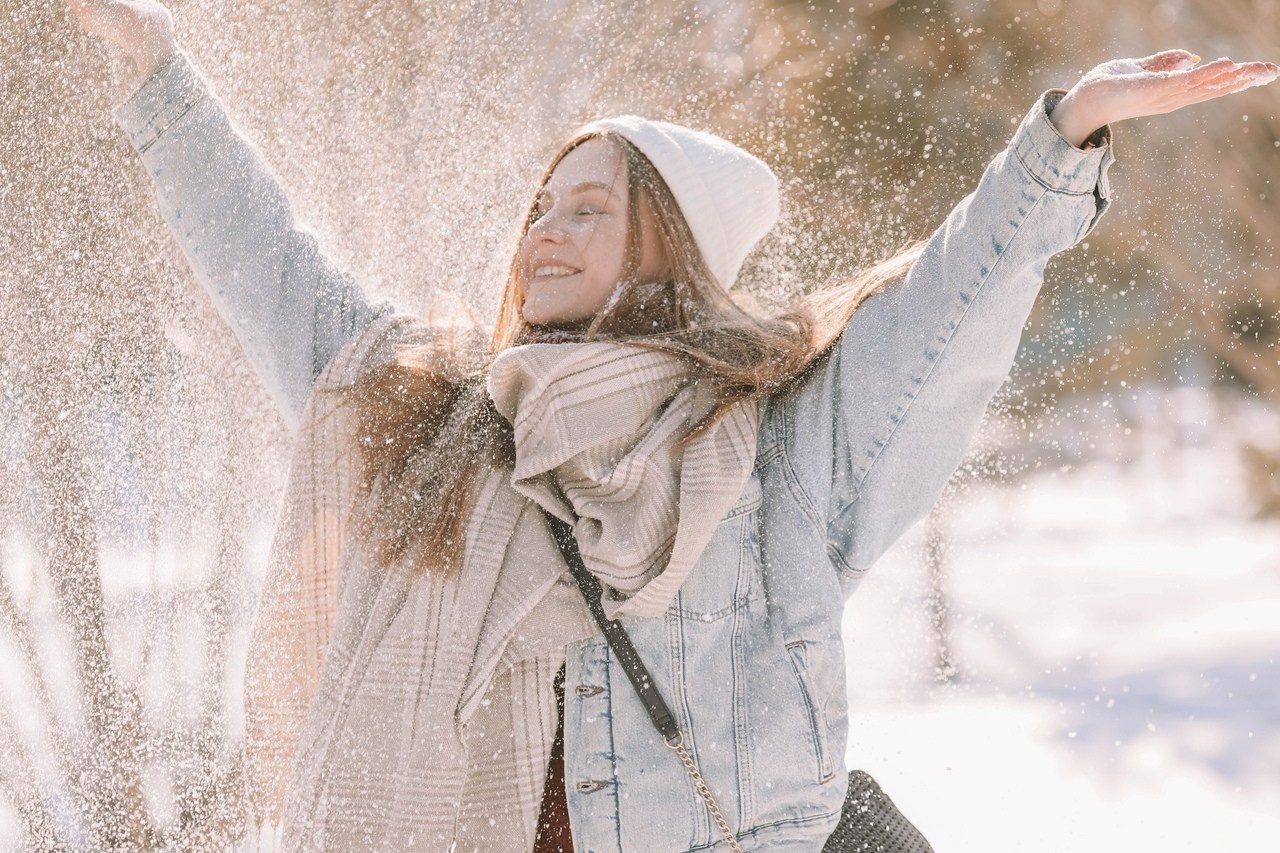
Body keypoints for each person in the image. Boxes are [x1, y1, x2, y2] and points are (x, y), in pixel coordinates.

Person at [66, 1, 1278, 850]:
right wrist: (159, 74)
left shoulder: (766, 457)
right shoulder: (427, 417)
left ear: (666, 247)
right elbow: (271, 264)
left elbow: (938, 317)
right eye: (539, 207)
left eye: (586, 210)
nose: (541, 232)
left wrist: (1059, 140)